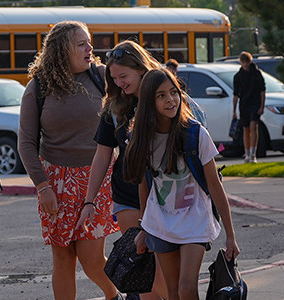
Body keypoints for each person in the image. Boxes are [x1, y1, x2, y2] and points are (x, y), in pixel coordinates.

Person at [18, 20, 121, 300]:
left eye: (89, 42)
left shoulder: (102, 77)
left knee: (91, 260)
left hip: (96, 178)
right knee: (63, 259)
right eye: (81, 44)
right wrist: (42, 186)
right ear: (63, 49)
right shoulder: (38, 87)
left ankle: (116, 296)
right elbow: (26, 143)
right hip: (55, 182)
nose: (90, 49)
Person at [123, 69, 239, 300]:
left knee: (187, 288)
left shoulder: (196, 134)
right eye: (161, 95)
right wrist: (143, 228)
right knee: (173, 291)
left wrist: (230, 235)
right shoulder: (142, 138)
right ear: (149, 101)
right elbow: (144, 185)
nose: (170, 100)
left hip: (195, 220)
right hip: (160, 223)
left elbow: (215, 186)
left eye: (174, 93)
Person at [83, 40, 169, 300]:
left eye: (124, 76)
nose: (119, 83)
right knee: (143, 275)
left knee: (166, 277)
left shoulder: (166, 97)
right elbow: (102, 154)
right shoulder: (115, 107)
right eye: (114, 78)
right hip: (128, 197)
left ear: (142, 69)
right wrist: (89, 200)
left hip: (167, 198)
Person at [232, 52, 266, 163]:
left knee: (253, 126)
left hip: (255, 103)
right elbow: (236, 94)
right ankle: (247, 154)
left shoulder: (257, 74)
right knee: (245, 128)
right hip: (244, 104)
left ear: (250, 61)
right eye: (243, 62)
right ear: (241, 62)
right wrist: (234, 110)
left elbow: (262, 91)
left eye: (247, 62)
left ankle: (253, 154)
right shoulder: (238, 76)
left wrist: (262, 106)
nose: (245, 64)